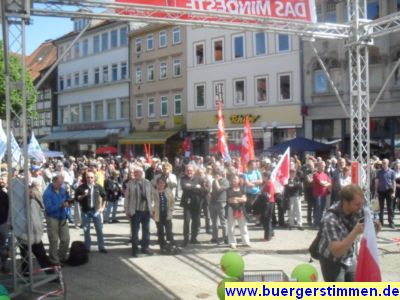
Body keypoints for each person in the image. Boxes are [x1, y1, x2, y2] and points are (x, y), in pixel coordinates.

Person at [317, 184, 367, 282]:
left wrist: (375, 227)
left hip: (349, 257)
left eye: (362, 203)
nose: (360, 207)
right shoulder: (330, 218)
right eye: (357, 204)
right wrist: (356, 232)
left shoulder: (358, 208)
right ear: (345, 202)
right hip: (331, 260)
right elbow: (337, 252)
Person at [19, 182, 54, 275]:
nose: (31, 193)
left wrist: (40, 228)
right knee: (25, 257)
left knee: (41, 255)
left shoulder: (34, 201)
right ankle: (26, 275)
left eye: (31, 191)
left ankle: (51, 274)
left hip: (36, 234)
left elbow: (39, 214)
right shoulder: (18, 204)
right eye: (29, 192)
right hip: (24, 235)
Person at [76, 170, 108, 253]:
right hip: (85, 211)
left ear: (94, 178)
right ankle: (87, 247)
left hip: (96, 211)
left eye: (91, 177)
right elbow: (76, 198)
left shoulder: (98, 186)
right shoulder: (81, 187)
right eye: (88, 177)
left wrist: (102, 207)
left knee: (99, 229)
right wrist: (83, 195)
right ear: (85, 178)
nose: (90, 179)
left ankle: (101, 247)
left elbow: (104, 196)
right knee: (86, 230)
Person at [124, 167, 153, 257]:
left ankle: (145, 248)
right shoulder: (130, 183)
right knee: (135, 232)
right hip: (135, 211)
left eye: (139, 173)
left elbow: (152, 196)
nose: (137, 174)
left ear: (142, 173)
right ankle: (135, 250)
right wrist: (127, 209)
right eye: (135, 173)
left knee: (146, 231)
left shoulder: (148, 183)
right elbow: (127, 197)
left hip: (146, 211)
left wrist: (152, 208)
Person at [43, 174, 70, 265]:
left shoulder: (62, 190)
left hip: (62, 217)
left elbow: (66, 199)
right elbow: (48, 209)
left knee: (65, 239)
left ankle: (61, 256)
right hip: (52, 218)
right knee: (54, 240)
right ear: (54, 182)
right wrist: (60, 205)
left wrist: (68, 201)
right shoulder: (47, 193)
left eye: (61, 183)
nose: (60, 185)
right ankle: (54, 260)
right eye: (59, 183)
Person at [180, 164, 206, 246]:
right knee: (187, 221)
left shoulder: (200, 179)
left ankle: (193, 238)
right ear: (185, 171)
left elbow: (205, 190)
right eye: (188, 170)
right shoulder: (183, 179)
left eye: (191, 170)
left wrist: (191, 187)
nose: (189, 172)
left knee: (196, 222)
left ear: (194, 171)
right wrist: (196, 187)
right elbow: (184, 187)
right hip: (187, 204)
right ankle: (186, 239)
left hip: (197, 204)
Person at [151, 177, 176, 254]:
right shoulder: (154, 192)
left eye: (162, 183)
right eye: (159, 183)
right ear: (157, 184)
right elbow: (151, 202)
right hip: (158, 214)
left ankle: (170, 246)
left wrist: (171, 209)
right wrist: (152, 211)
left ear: (165, 184)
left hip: (167, 213)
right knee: (160, 231)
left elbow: (172, 201)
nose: (161, 184)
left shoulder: (168, 191)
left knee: (169, 231)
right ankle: (163, 247)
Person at [226, 174, 251, 249]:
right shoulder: (229, 190)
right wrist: (239, 199)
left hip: (240, 209)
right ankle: (232, 242)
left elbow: (245, 199)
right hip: (231, 209)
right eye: (233, 179)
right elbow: (229, 200)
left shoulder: (242, 189)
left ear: (239, 180)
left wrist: (236, 198)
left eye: (235, 178)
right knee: (231, 226)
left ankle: (246, 242)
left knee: (243, 226)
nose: (234, 180)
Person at [209, 169, 229, 244]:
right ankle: (215, 237)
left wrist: (216, 180)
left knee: (223, 221)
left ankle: (225, 237)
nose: (215, 176)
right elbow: (212, 191)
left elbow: (219, 189)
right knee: (214, 222)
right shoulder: (214, 181)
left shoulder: (225, 181)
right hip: (213, 203)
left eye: (216, 174)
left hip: (221, 203)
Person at [375, 158, 396, 228]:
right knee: (381, 208)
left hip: (389, 191)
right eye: (382, 163)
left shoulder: (392, 172)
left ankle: (391, 222)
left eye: (384, 163)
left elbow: (393, 182)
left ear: (388, 163)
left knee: (390, 208)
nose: (383, 164)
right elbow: (377, 182)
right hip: (381, 191)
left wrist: (394, 192)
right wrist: (376, 191)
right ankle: (381, 222)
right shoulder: (379, 172)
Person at [0, 178, 9, 273]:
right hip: (3, 223)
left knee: (4, 247)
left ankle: (3, 265)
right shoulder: (3, 194)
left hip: (3, 223)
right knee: (4, 246)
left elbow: (8, 207)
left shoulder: (3, 194)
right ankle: (3, 266)